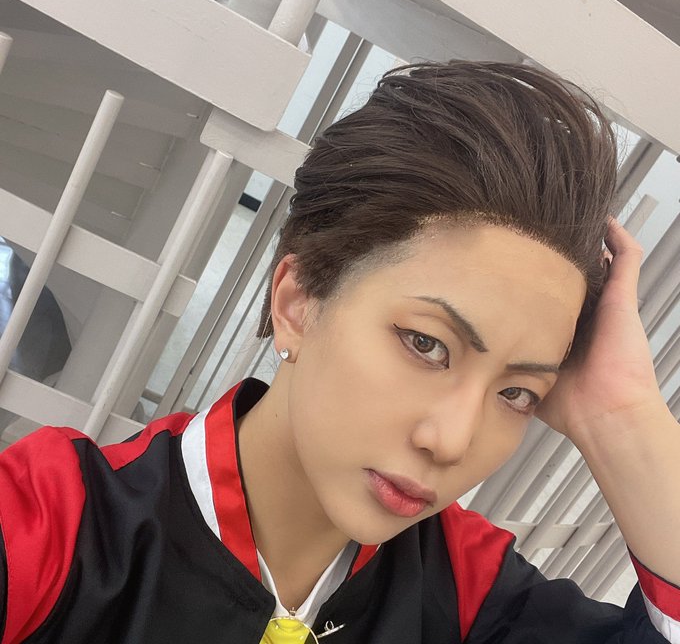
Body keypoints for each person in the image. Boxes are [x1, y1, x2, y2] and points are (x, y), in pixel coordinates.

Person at [0, 61, 678, 644]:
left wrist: (623, 418)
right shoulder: (59, 526)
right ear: (297, 302)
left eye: (516, 393)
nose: (450, 441)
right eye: (426, 344)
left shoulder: (468, 588)